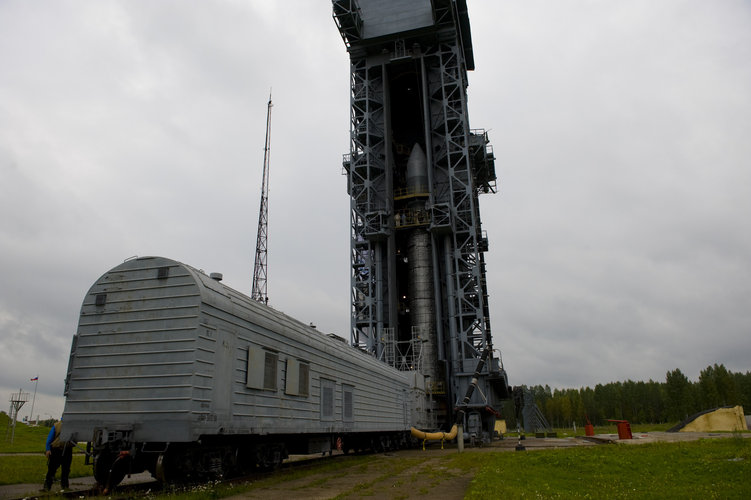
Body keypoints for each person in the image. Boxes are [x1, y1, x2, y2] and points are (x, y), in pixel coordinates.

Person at [44, 420, 73, 491]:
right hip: (57, 449)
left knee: (65, 470)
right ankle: (48, 486)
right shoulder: (57, 425)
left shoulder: (57, 425)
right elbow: (50, 438)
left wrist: (48, 448)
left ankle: (64, 487)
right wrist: (48, 449)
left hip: (65, 450)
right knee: (53, 469)